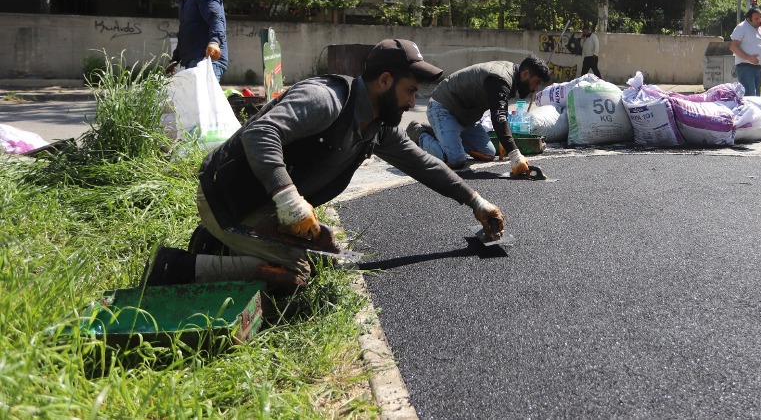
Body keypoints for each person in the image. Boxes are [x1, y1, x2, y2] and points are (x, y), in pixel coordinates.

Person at [140, 39, 506, 292]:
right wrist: (288, 200)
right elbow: (260, 133)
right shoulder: (326, 100)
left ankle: (222, 247)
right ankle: (179, 267)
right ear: (385, 81)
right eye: (411, 91)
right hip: (226, 196)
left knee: (326, 251)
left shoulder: (378, 126)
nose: (413, 102)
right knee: (296, 274)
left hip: (261, 201)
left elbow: (423, 164)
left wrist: (476, 201)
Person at [407, 55, 551, 175]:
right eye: (536, 83)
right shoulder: (500, 78)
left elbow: (499, 113)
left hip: (466, 117)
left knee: (488, 153)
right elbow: (499, 116)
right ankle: (420, 134)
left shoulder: (511, 76)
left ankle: (443, 135)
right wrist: (514, 153)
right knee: (455, 160)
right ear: (525, 74)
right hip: (444, 108)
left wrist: (505, 139)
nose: (535, 89)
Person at [162, 0, 229, 81]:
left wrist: (214, 42)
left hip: (208, 61)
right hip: (192, 62)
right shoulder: (185, 1)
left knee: (203, 99)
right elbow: (184, 34)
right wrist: (175, 60)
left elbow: (216, 20)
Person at [729, 7, 761, 97]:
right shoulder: (742, 27)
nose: (759, 21)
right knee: (750, 96)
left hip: (758, 68)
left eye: (760, 18)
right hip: (745, 67)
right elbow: (733, 47)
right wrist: (749, 57)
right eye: (756, 19)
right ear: (749, 19)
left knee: (756, 97)